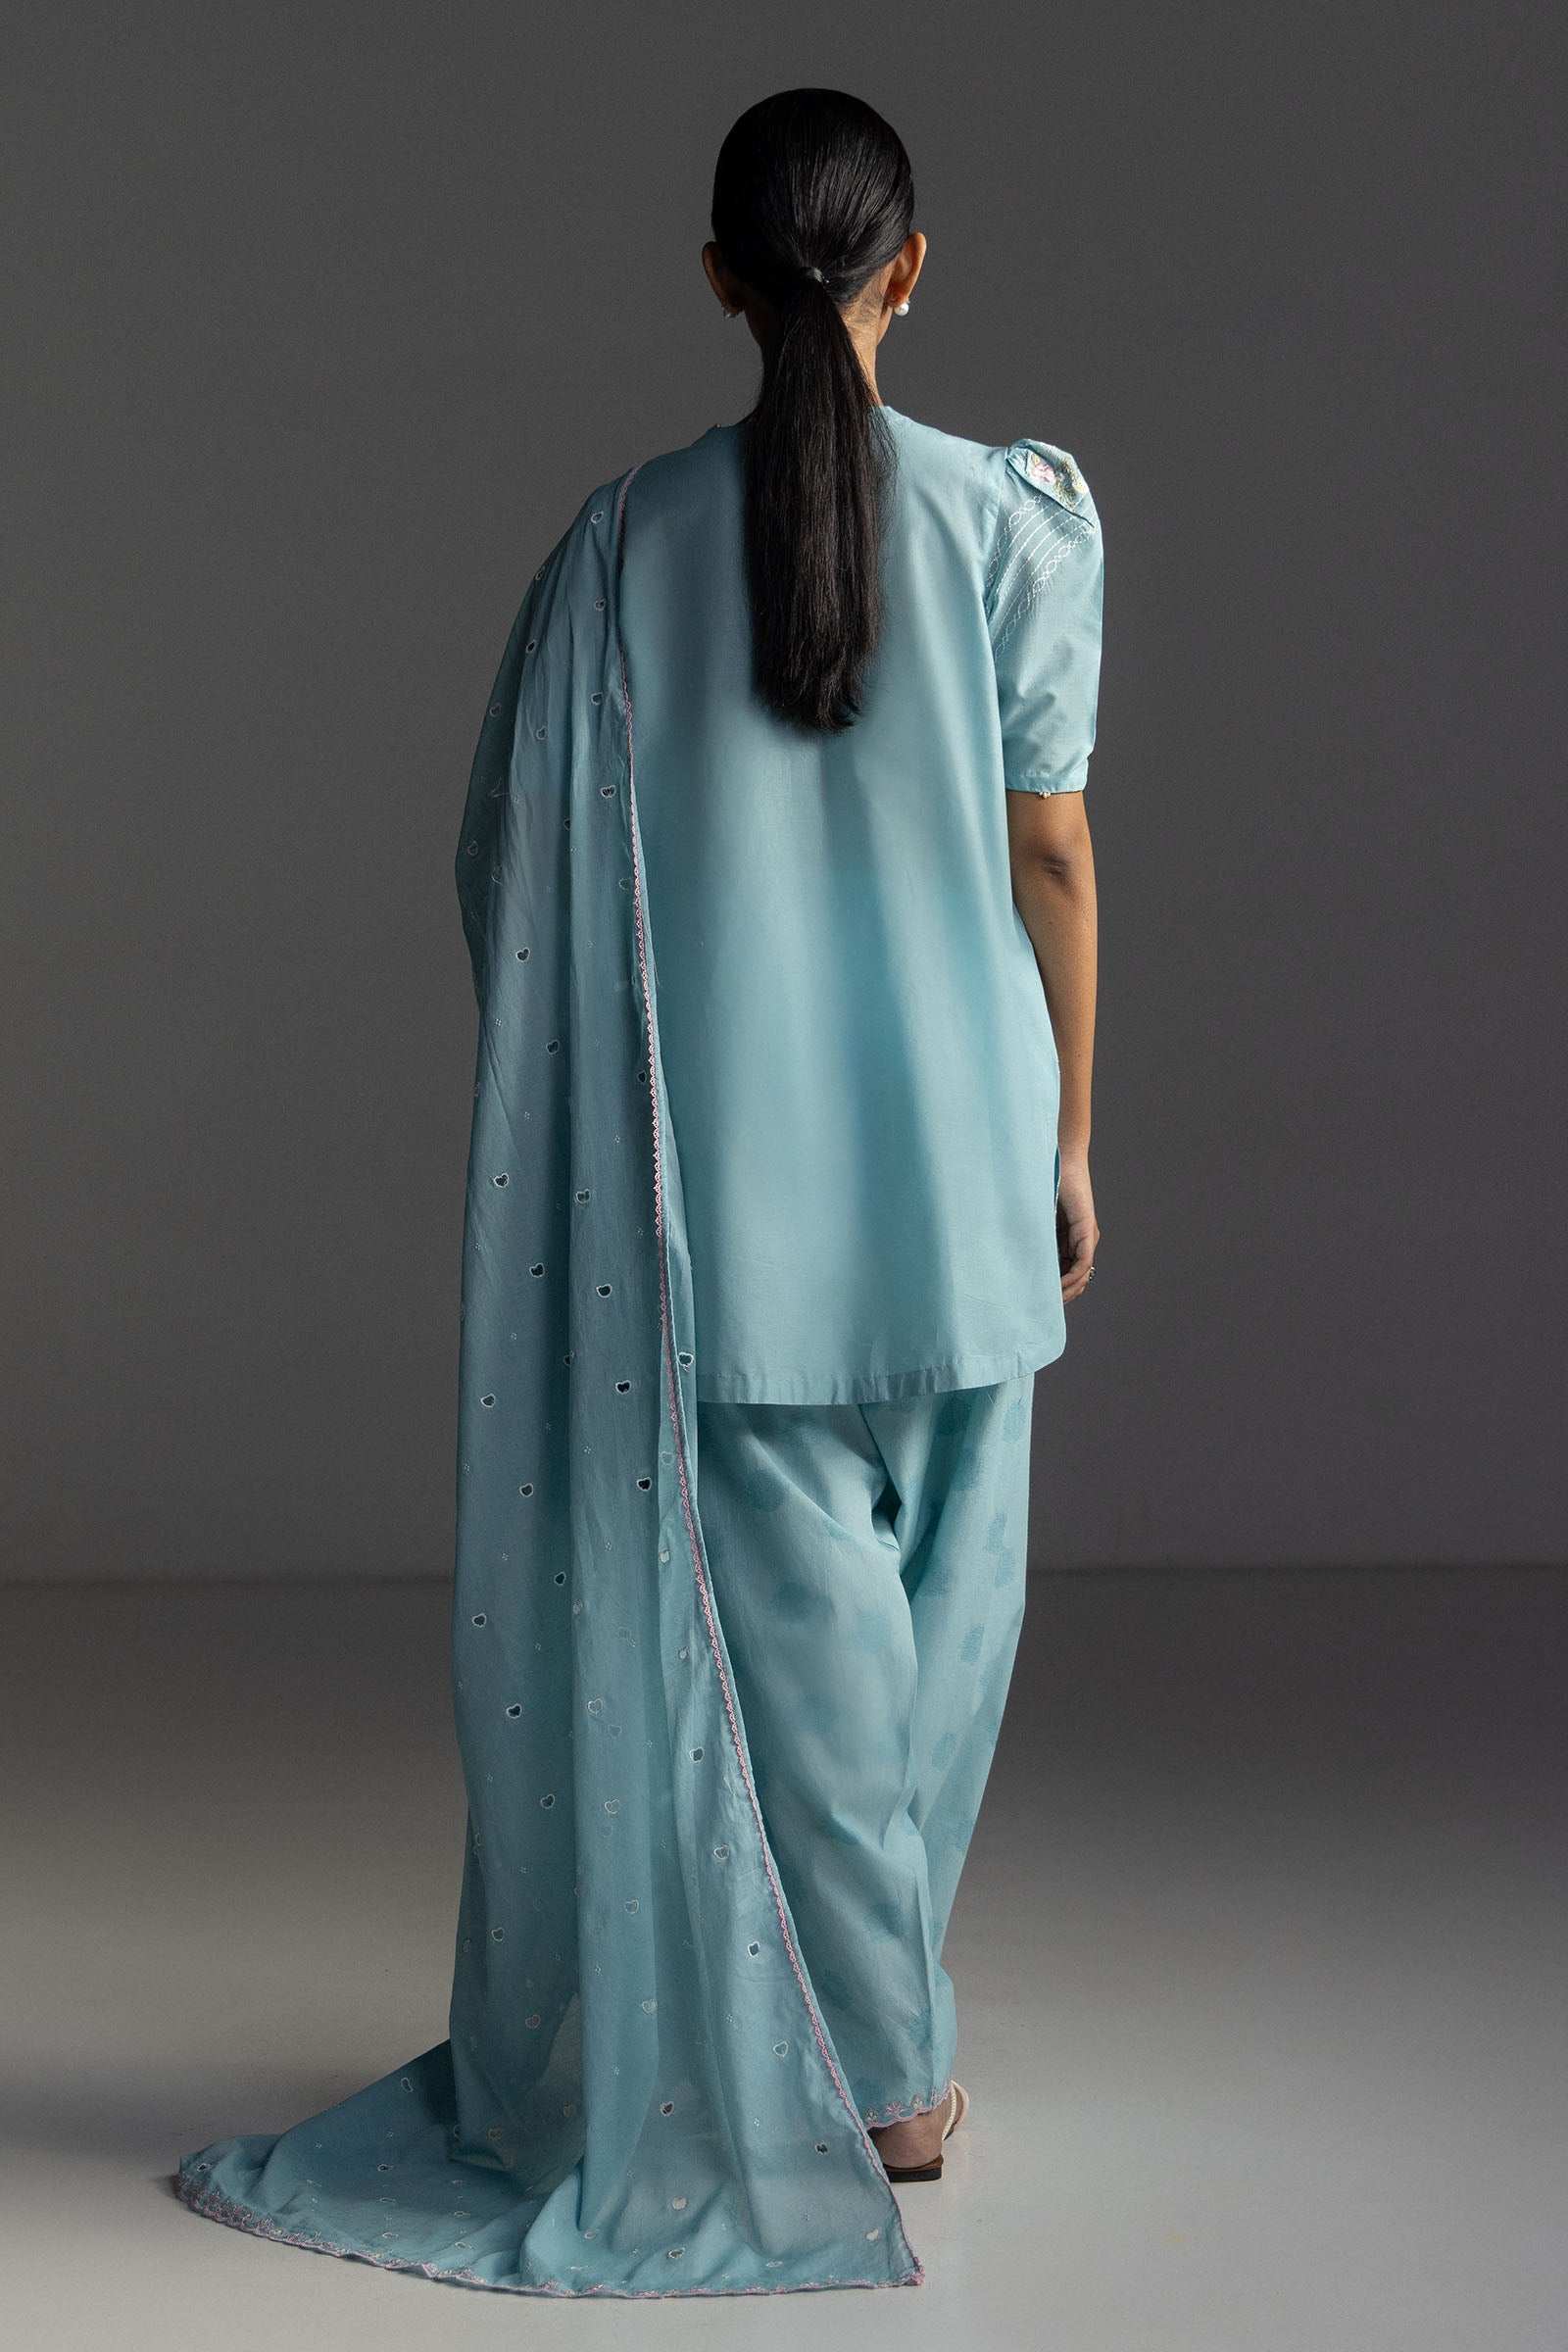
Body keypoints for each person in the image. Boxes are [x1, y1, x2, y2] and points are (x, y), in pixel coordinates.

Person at [174, 85, 1103, 2299]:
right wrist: (1073, 1133)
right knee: (942, 1629)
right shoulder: (1012, 524)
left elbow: (506, 862)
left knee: (815, 1661)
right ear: (910, 270)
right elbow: (1052, 853)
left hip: (732, 1201)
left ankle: (873, 2047)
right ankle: (889, 2064)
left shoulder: (618, 548)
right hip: (969, 1158)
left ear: (716, 282)